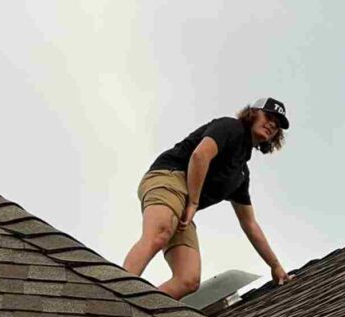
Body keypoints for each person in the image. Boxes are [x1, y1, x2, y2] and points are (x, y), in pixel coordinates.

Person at [123, 97, 294, 300]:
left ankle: (136, 311)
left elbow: (250, 224)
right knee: (160, 232)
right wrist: (194, 202)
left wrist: (275, 266)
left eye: (277, 125)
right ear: (253, 113)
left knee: (188, 279)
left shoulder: (240, 174)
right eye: (269, 116)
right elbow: (200, 156)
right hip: (169, 177)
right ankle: (117, 295)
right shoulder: (230, 127)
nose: (272, 124)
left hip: (185, 204)